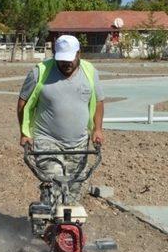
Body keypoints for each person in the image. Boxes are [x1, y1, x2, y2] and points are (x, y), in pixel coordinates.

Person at [17, 35, 105, 205]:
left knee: (74, 190)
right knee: (55, 185)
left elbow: (99, 102)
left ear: (79, 53)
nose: (66, 64)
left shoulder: (90, 72)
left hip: (79, 143)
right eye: (62, 59)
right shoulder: (40, 71)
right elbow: (23, 103)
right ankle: (51, 227)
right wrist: (24, 132)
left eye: (70, 59)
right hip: (47, 140)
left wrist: (97, 129)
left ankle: (67, 229)